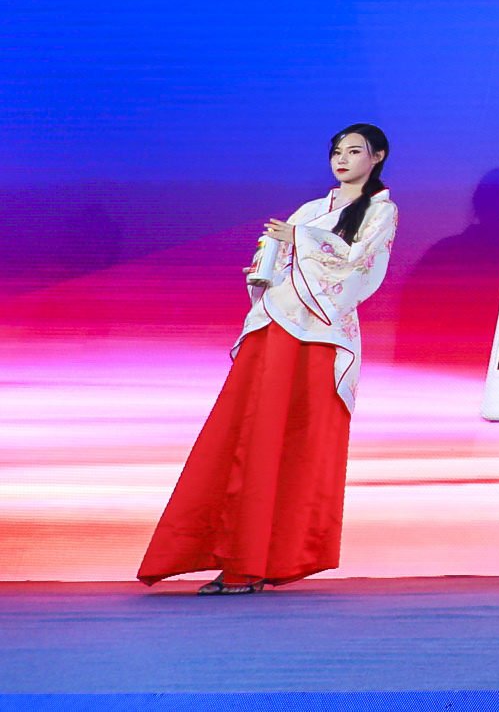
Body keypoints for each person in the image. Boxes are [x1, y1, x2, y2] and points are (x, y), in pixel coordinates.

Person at [139, 124, 398, 593]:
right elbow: (279, 261)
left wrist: (301, 240)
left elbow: (360, 263)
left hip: (318, 335)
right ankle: (230, 556)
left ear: (377, 156)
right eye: (336, 152)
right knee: (244, 433)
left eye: (354, 151)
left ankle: (260, 560)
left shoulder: (380, 210)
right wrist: (266, 270)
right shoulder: (312, 209)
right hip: (275, 324)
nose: (342, 160)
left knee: (292, 442)